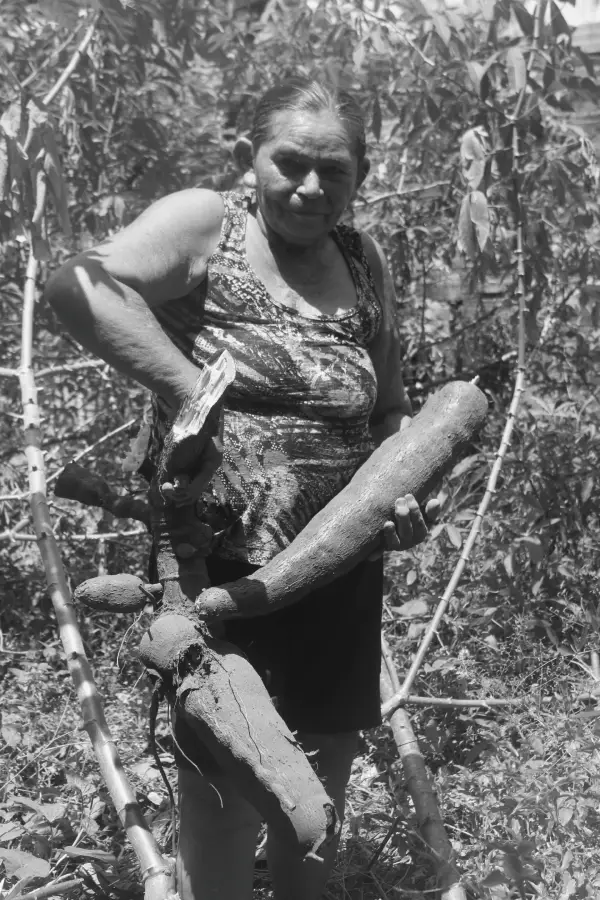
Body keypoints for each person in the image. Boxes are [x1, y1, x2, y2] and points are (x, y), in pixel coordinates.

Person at [45, 77, 439, 900]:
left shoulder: (362, 260)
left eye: (335, 171)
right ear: (245, 158)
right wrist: (190, 389)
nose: (311, 187)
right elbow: (77, 286)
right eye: (290, 163)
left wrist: (406, 486)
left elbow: (391, 408)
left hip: (338, 562)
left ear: (360, 177)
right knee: (224, 783)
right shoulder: (207, 224)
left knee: (319, 786)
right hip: (215, 564)